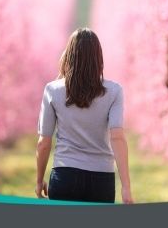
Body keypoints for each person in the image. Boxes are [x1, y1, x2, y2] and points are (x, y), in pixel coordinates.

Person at [35, 27, 133, 204]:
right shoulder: (114, 91)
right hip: (101, 179)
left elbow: (44, 143)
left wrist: (39, 179)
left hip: (64, 176)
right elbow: (117, 137)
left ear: (69, 55)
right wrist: (126, 187)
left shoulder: (52, 90)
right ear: (98, 58)